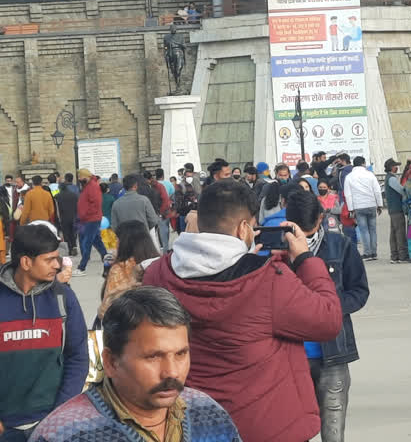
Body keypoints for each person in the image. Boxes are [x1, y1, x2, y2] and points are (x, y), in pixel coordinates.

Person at [143, 180, 342, 442]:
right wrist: (306, 260)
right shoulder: (268, 279)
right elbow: (327, 319)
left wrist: (246, 256)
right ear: (243, 228)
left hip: (195, 423)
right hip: (266, 425)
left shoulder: (158, 274)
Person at [30, 287, 242, 442]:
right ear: (111, 362)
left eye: (181, 354)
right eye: (153, 357)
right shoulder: (63, 434)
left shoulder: (207, 412)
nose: (172, 372)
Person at [285, 191, 368, 442]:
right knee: (293, 433)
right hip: (289, 360)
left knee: (333, 434)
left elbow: (359, 291)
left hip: (332, 356)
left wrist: (328, 308)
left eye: (308, 232)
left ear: (321, 219)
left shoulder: (340, 245)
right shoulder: (274, 250)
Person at [0, 225, 88, 441]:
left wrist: (59, 414)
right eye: (49, 260)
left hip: (52, 424)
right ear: (26, 262)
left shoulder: (63, 298)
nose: (57, 265)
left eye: (57, 258)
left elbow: (77, 357)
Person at [98, 221, 161, 321]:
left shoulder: (119, 269)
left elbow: (106, 310)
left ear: (123, 242)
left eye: (117, 240)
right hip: (157, 324)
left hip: (127, 327)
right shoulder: (159, 264)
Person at [343, 157, 382, 261]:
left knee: (364, 230)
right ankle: (374, 253)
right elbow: (377, 190)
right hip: (371, 204)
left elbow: (348, 194)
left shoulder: (349, 177)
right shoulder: (370, 174)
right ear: (363, 164)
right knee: (373, 230)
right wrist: (380, 204)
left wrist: (351, 209)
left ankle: (367, 253)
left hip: (359, 206)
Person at [75, 169, 107, 277]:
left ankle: (81, 267)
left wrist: (85, 214)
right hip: (89, 218)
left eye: (80, 177)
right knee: (97, 242)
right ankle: (107, 261)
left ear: (86, 177)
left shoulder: (92, 186)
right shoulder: (88, 186)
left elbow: (96, 203)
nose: (79, 179)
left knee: (87, 242)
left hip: (91, 219)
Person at [384, 158, 408, 264]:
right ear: (391, 167)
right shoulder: (392, 179)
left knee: (394, 233)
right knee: (400, 232)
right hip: (397, 208)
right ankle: (402, 255)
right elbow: (402, 191)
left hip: (392, 209)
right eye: (395, 166)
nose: (397, 167)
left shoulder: (389, 178)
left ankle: (394, 255)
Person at [55, 175, 78, 257]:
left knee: (66, 234)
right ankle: (74, 245)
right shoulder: (74, 195)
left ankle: (70, 248)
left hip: (64, 217)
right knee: (73, 233)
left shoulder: (58, 196)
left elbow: (57, 208)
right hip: (74, 216)